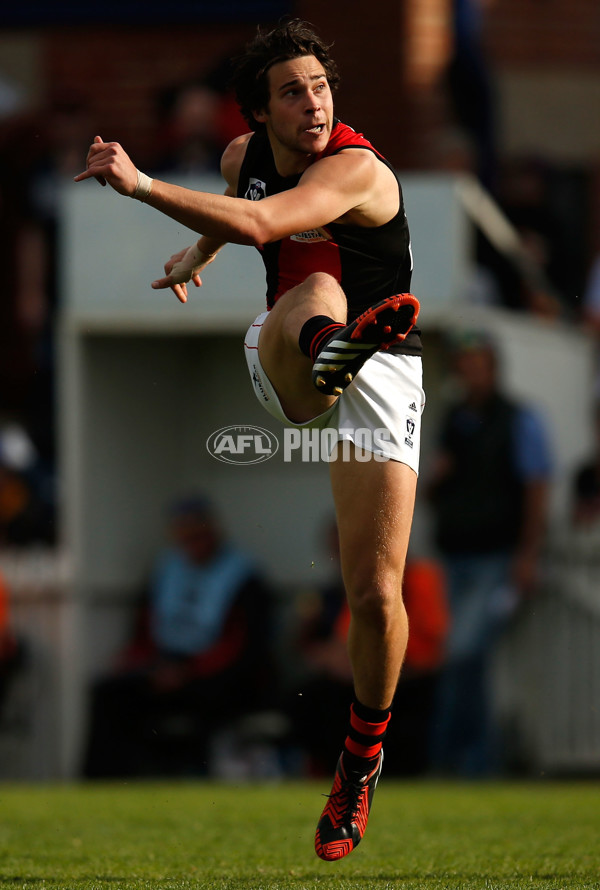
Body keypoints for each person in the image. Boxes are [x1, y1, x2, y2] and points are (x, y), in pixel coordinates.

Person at [75, 19, 423, 861]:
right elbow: (248, 214)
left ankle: (360, 760)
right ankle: (327, 352)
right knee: (313, 302)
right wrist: (198, 253)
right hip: (290, 355)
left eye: (320, 86)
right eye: (293, 91)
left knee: (375, 594)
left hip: (386, 370)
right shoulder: (242, 158)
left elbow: (269, 226)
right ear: (260, 113)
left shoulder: (355, 167)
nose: (313, 103)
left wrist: (145, 186)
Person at [427, 331, 552, 776]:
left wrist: (527, 555)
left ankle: (454, 758)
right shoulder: (454, 420)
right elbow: (435, 487)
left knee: (463, 653)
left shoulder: (518, 419)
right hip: (455, 555)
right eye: (465, 363)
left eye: (477, 362)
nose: (469, 370)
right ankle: (475, 762)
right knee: (467, 660)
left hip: (496, 557)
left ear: (493, 367)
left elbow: (537, 487)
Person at [82, 495, 273, 778]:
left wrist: (188, 671)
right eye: (184, 535)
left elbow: (244, 646)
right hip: (166, 665)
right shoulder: (166, 568)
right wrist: (138, 661)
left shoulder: (243, 575)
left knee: (212, 702)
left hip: (217, 673)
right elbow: (144, 629)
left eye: (198, 533)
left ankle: (200, 776)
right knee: (109, 693)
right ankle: (102, 783)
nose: (193, 542)